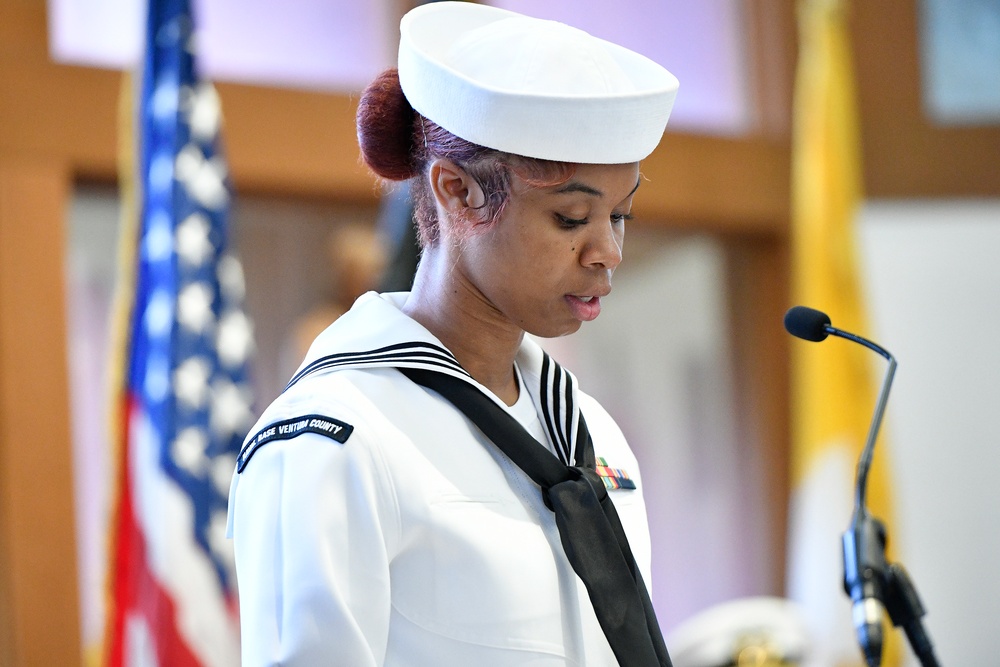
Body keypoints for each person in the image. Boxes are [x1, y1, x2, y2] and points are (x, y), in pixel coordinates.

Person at [228, 2, 679, 665]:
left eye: (620, 215)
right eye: (571, 217)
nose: (607, 251)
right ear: (456, 191)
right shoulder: (336, 438)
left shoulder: (592, 434)